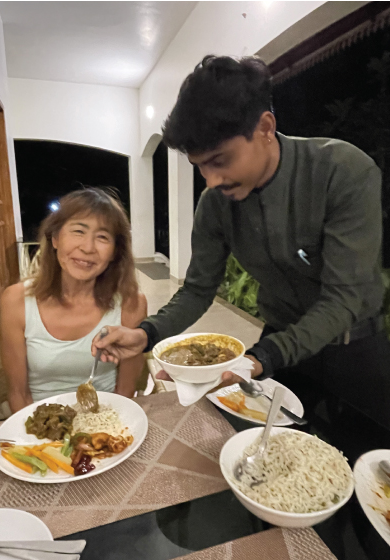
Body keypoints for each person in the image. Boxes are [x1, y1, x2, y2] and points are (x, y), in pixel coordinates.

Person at [91, 55, 390, 429]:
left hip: (355, 351)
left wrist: (259, 357)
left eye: (221, 159)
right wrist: (146, 333)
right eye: (200, 166)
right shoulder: (215, 204)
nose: (211, 180)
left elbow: (343, 299)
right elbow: (197, 290)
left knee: (368, 468)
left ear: (265, 126)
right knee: (269, 456)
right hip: (280, 346)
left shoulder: (342, 171)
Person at [0, 187, 147, 413]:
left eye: (102, 237)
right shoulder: (16, 300)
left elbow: (126, 391)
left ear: (115, 252)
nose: (88, 248)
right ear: (56, 238)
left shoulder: (130, 303)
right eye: (78, 231)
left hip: (105, 420)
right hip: (40, 424)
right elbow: (18, 393)